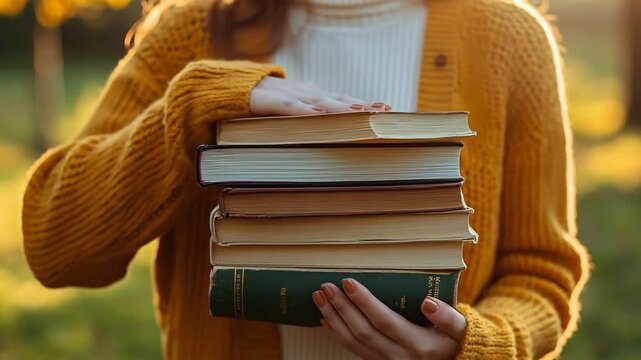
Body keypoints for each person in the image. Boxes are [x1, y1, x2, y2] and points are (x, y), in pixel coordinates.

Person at [22, 0, 591, 358]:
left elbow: (540, 275)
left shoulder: (509, 38)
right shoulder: (192, 29)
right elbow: (55, 245)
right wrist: (189, 108)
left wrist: (476, 344)